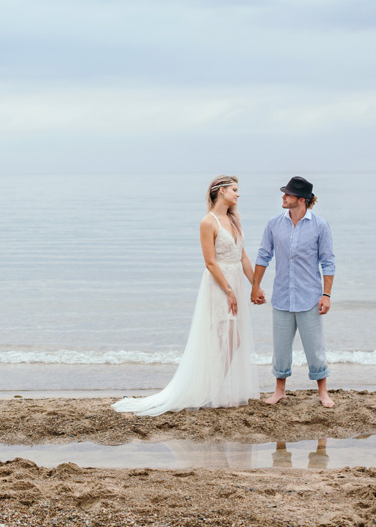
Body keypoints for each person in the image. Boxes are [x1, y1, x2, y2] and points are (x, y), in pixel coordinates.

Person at [112, 175, 261, 416]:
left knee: (233, 340)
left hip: (235, 283)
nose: (238, 194)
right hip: (219, 285)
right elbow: (211, 263)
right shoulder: (208, 222)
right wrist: (229, 291)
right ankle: (211, 390)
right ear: (221, 192)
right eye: (234, 190)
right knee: (225, 339)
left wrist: (255, 285)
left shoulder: (234, 220)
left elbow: (242, 257)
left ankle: (215, 388)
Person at [251, 176, 335, 407]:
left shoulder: (320, 226)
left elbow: (328, 262)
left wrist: (326, 295)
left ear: (301, 199)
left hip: (310, 298)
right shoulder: (274, 224)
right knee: (281, 349)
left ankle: (323, 393)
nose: (283, 197)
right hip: (281, 297)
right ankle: (279, 391)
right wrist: (256, 286)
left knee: (315, 348)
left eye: (287, 194)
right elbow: (263, 256)